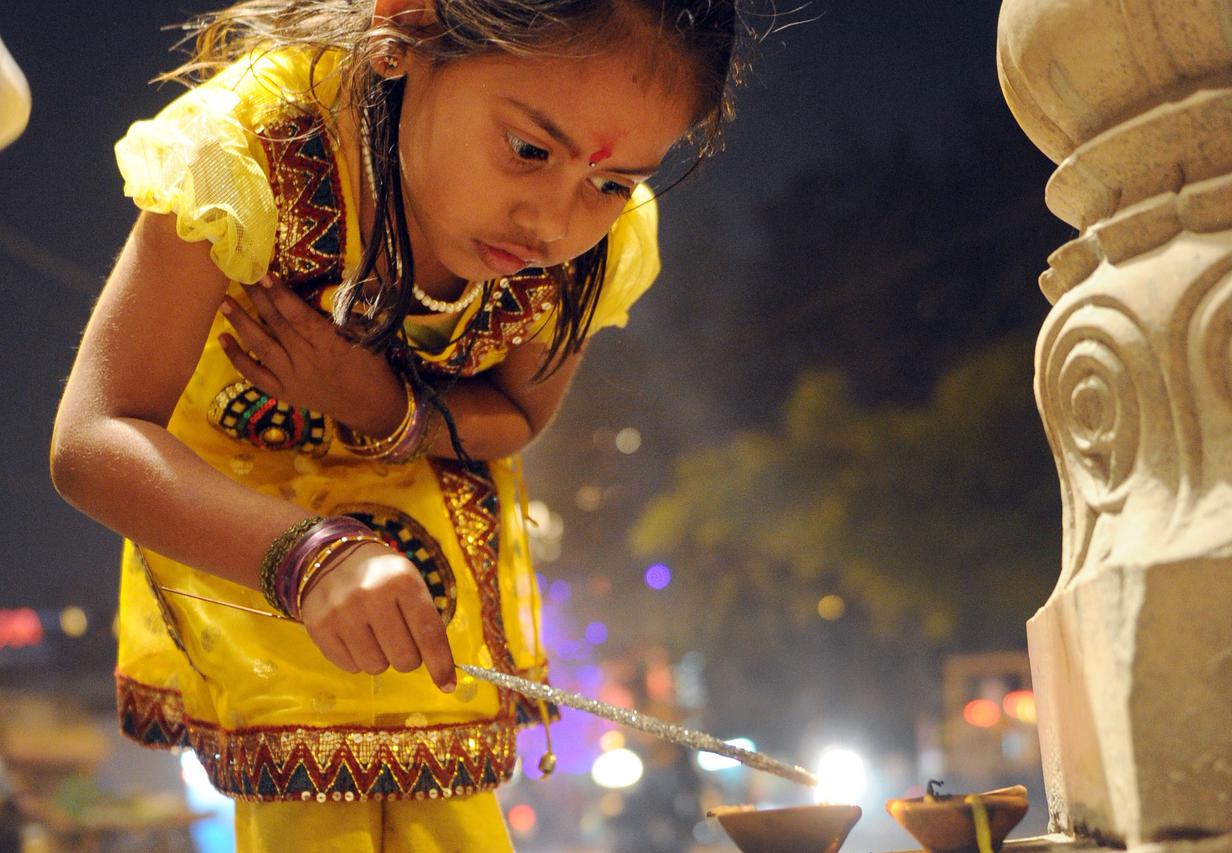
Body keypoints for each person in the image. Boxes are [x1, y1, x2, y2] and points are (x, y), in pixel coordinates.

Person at [49, 1, 741, 850]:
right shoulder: (245, 159)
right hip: (247, 536)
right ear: (406, 29)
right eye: (528, 150)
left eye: (611, 183)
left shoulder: (591, 245)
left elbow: (520, 414)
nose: (553, 224)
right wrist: (308, 557)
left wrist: (376, 403)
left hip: (429, 562)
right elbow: (92, 439)